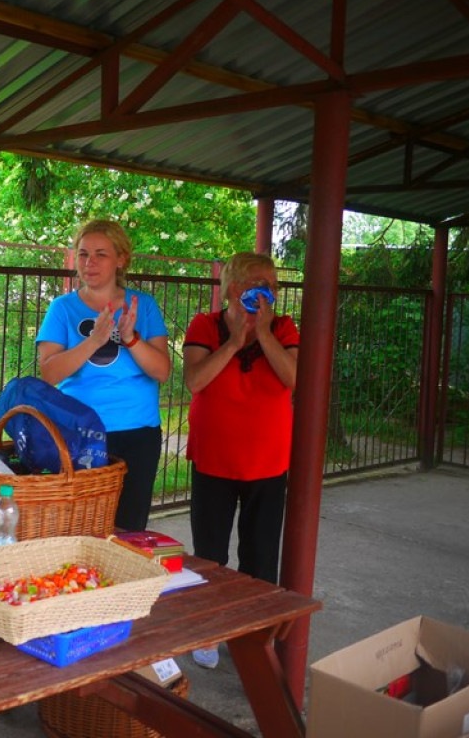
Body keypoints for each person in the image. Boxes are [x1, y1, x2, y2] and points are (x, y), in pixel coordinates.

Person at [183, 251, 299, 669]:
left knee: (261, 554)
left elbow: (292, 378)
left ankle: (252, 633)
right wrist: (235, 340)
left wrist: (263, 333)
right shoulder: (205, 325)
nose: (268, 290)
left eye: (272, 284)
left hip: (267, 461)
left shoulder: (284, 327)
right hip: (214, 459)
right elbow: (196, 380)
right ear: (234, 288)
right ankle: (210, 629)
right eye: (259, 282)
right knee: (210, 553)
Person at [36, 219, 171, 531]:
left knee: (128, 528)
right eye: (83, 254)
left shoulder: (143, 306)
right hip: (80, 431)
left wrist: (132, 339)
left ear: (121, 259)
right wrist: (95, 340)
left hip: (138, 430)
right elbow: (49, 372)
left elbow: (162, 371)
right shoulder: (62, 308)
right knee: (79, 525)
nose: (89, 263)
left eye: (100, 254)